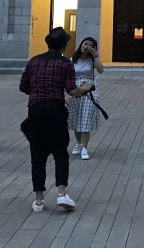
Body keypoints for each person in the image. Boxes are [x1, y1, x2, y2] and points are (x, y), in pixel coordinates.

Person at [20, 27, 94, 213]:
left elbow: (23, 87)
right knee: (60, 153)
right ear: (64, 45)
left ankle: (38, 200)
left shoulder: (33, 61)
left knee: (37, 156)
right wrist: (85, 87)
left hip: (35, 110)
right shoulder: (64, 64)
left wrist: (37, 90)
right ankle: (61, 194)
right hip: (55, 110)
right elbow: (72, 91)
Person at [68, 37, 104, 160]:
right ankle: (78, 143)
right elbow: (68, 76)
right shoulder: (73, 59)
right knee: (76, 118)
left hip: (89, 88)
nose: (86, 46)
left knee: (85, 118)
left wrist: (95, 55)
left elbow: (100, 70)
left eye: (89, 45)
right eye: (84, 44)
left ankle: (84, 148)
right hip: (75, 89)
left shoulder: (92, 59)